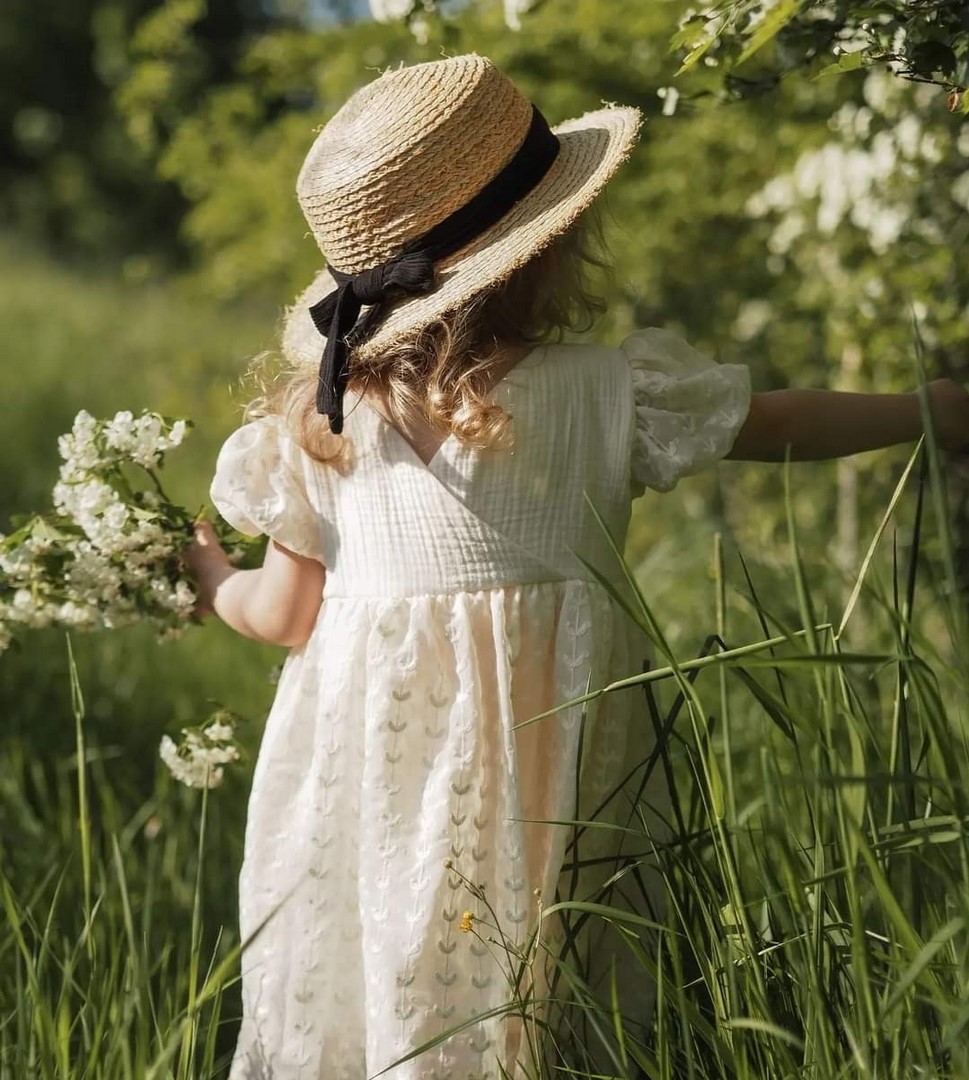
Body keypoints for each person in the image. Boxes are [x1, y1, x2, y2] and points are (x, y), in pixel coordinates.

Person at [185, 53, 969, 1080]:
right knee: (560, 989)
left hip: (369, 787)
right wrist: (932, 409)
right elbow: (779, 422)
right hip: (558, 765)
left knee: (381, 990)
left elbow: (284, 614)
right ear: (543, 250)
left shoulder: (318, 426)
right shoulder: (609, 391)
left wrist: (207, 581)